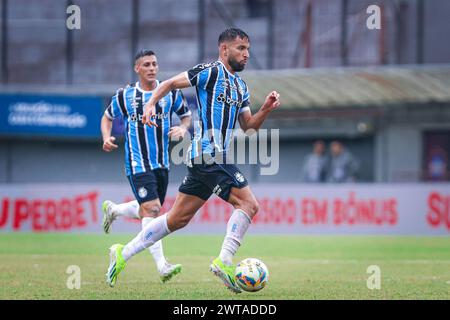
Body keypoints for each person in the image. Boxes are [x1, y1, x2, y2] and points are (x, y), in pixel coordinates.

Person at [105, 28, 281, 293]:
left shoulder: (240, 86)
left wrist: (265, 108)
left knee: (176, 219)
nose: (246, 54)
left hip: (208, 158)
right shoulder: (210, 71)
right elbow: (170, 84)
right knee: (248, 204)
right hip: (208, 153)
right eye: (240, 49)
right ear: (224, 50)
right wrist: (151, 103)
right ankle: (224, 261)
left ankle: (123, 253)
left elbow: (249, 127)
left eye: (247, 50)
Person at [100, 49, 192, 284]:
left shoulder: (170, 92)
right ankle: (161, 266)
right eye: (147, 65)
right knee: (152, 210)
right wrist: (106, 137)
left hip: (162, 163)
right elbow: (107, 116)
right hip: (137, 162)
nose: (152, 68)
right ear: (137, 69)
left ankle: (115, 211)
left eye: (155, 64)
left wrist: (182, 128)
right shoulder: (126, 95)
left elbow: (186, 116)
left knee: (149, 209)